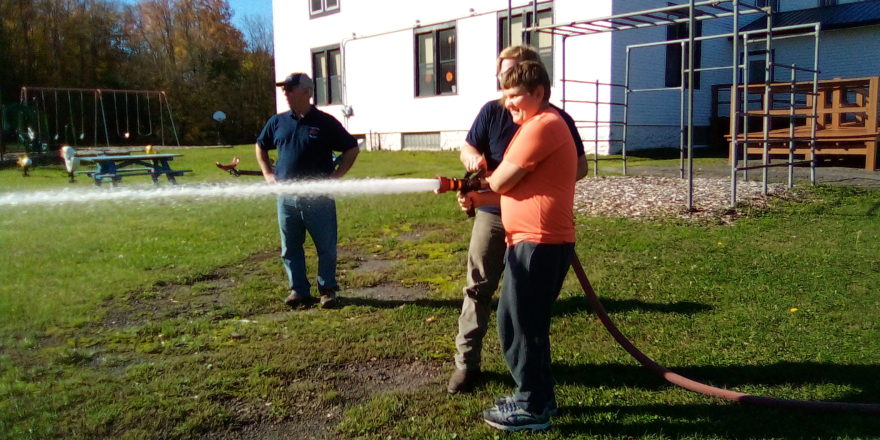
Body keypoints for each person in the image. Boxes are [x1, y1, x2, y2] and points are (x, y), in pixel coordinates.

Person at [447, 45, 587, 394]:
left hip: (534, 230)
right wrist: (474, 163)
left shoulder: (550, 121)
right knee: (480, 289)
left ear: (536, 81)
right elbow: (468, 148)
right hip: (494, 216)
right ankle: (467, 363)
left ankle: (533, 386)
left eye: (515, 82)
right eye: (503, 82)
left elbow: (577, 167)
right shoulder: (493, 113)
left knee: (524, 310)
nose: (507, 93)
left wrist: (533, 179)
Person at [255, 72, 359, 309]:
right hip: (286, 198)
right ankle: (298, 290)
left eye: (290, 89)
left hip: (318, 198)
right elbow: (260, 146)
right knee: (290, 247)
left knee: (326, 247)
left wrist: (334, 178)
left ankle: (327, 290)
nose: (286, 93)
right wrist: (268, 174)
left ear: (307, 92)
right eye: (285, 89)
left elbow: (351, 149)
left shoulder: (325, 122)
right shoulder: (277, 122)